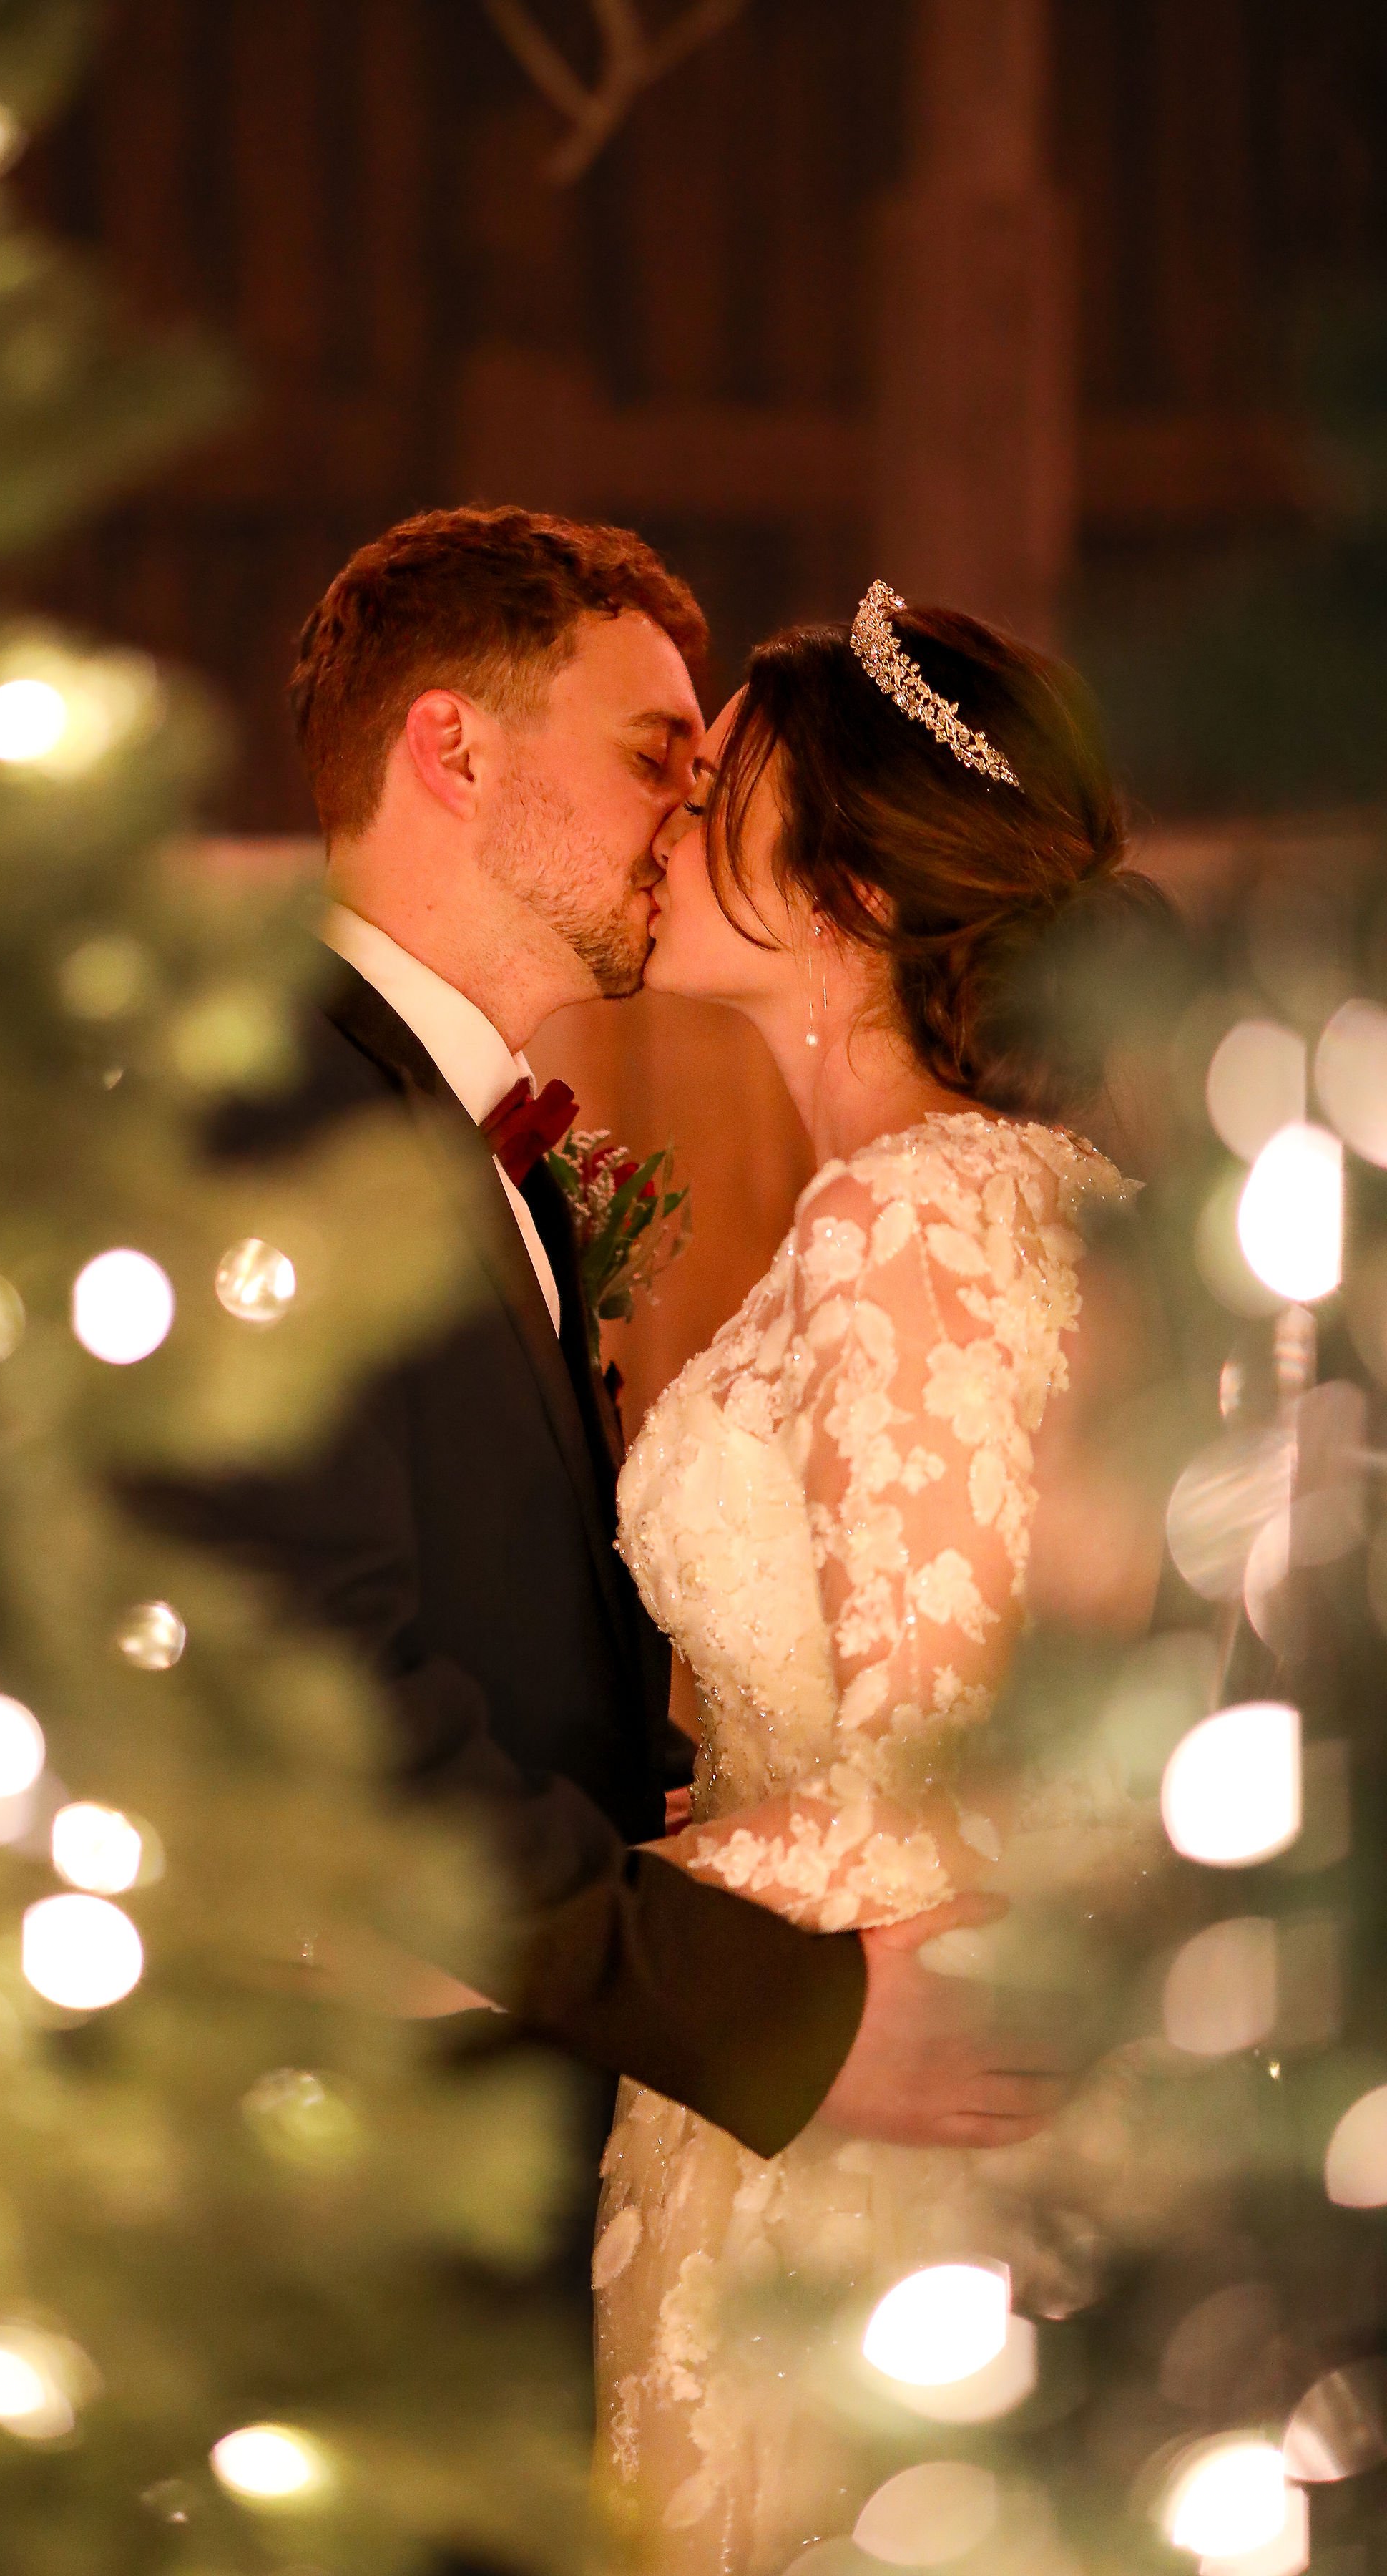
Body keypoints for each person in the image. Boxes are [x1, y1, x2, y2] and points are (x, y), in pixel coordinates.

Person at [133, 512, 1081, 2255]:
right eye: (658, 753)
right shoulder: (275, 1125)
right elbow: (324, 1691)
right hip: (374, 2162)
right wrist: (728, 1988)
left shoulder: (488, 1147)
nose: (686, 805)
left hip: (580, 2110)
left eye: (712, 773)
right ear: (454, 747)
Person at [592, 583, 1171, 2569]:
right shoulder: (1023, 1197)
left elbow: (949, 1789)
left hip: (856, 2118)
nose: (661, 833)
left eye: (711, 798)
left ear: (838, 884)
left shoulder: (909, 1221)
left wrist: (586, 1918)